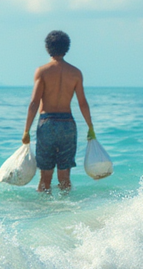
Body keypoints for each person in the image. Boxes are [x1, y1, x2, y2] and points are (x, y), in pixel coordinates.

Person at [22, 31, 95, 193]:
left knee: (45, 176)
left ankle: (43, 212)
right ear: (66, 48)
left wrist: (26, 130)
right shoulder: (75, 73)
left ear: (47, 47)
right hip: (67, 124)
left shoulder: (42, 71)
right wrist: (90, 127)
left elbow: (34, 103)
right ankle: (66, 211)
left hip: (47, 123)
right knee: (65, 176)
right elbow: (82, 103)